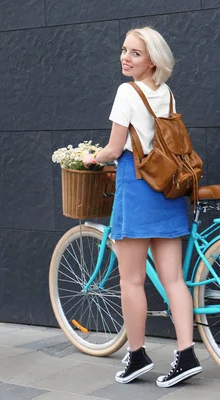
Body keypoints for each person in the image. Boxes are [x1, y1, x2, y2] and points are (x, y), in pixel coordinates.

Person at [82, 26, 202, 388]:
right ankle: (186, 354)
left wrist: (92, 158)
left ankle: (136, 356)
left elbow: (115, 150)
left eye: (135, 53)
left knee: (131, 280)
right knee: (174, 279)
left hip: (136, 189)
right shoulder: (166, 92)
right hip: (167, 190)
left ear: (152, 60)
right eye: (124, 50)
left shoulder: (126, 92)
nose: (125, 57)